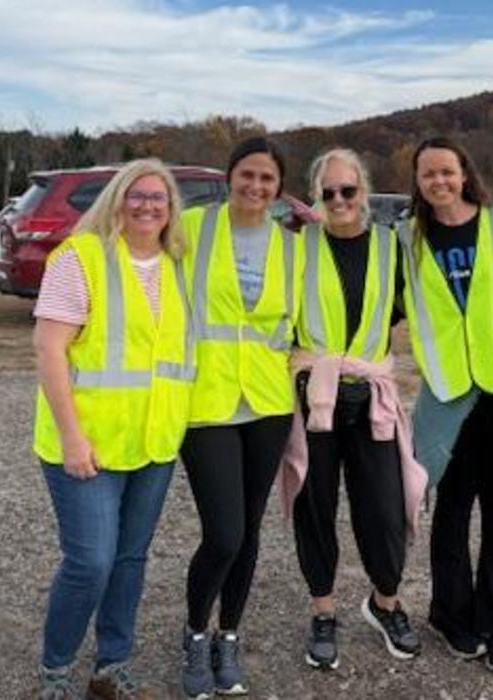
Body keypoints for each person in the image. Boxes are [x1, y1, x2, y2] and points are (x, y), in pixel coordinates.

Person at [31, 158, 195, 700]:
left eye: (159, 198)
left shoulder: (177, 265)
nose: (148, 205)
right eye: (137, 195)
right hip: (88, 444)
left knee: (129, 559)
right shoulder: (82, 258)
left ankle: (111, 666)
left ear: (172, 208)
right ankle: (56, 668)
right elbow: (49, 348)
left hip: (153, 442)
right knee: (90, 561)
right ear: (118, 200)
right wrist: (73, 437)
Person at [398, 136, 493, 674]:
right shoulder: (407, 239)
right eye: (427, 175)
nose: (438, 181)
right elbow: (383, 300)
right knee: (452, 511)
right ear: (417, 183)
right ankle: (452, 615)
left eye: (447, 171)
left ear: (464, 173)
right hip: (448, 396)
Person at [278, 148, 428, 671]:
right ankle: (323, 611)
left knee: (385, 507)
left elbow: (422, 307)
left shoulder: (392, 247)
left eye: (349, 190)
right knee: (315, 506)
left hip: (371, 397)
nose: (339, 201)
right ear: (316, 196)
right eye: (329, 192)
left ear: (365, 191)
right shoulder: (297, 246)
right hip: (314, 395)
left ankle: (385, 602)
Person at [177, 137, 303, 699]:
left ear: (280, 189)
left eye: (267, 180)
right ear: (229, 177)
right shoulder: (190, 227)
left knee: (249, 529)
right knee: (223, 531)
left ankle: (229, 634)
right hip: (206, 400)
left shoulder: (295, 247)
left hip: (268, 402)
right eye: (247, 175)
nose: (256, 187)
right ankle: (194, 633)